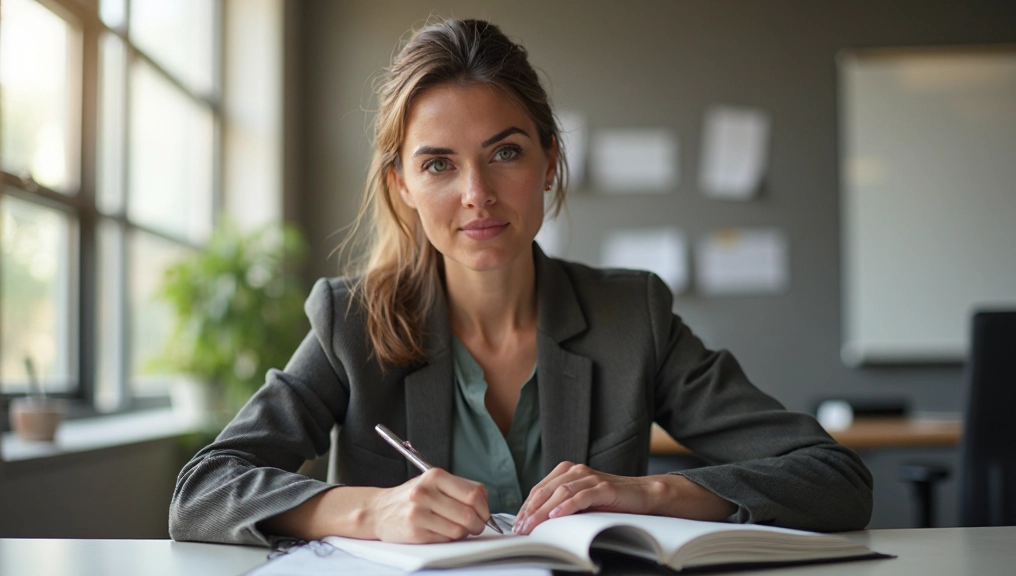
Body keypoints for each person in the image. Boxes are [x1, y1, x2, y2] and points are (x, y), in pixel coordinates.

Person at [169, 18, 872, 547]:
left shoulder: (633, 315)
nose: (476, 193)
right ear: (403, 185)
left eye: (504, 152)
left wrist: (650, 492)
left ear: (547, 162)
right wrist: (368, 509)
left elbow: (833, 481)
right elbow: (202, 492)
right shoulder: (352, 320)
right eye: (439, 164)